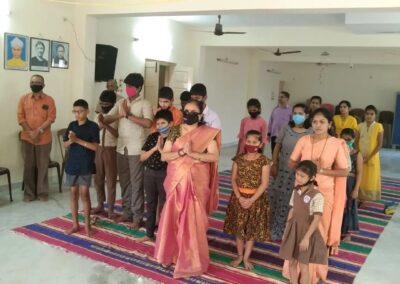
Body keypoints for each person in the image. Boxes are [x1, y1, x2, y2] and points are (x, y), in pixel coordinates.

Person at [154, 100, 221, 278]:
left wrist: (194, 155)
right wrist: (182, 153)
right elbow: (164, 156)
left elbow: (214, 156)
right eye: (186, 110)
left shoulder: (207, 133)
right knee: (174, 217)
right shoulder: (175, 130)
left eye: (193, 111)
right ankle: (173, 254)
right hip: (177, 180)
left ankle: (192, 258)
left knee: (193, 219)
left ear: (200, 115)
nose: (188, 113)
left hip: (197, 181)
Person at [286, 108, 349, 283]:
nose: (318, 125)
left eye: (322, 122)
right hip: (302, 191)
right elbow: (291, 162)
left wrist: (321, 170)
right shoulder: (304, 140)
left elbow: (344, 171)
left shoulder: (337, 143)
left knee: (318, 232)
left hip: (324, 193)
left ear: (330, 124)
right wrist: (305, 167)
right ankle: (295, 272)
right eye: (314, 122)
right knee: (299, 228)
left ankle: (314, 274)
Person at [103, 73, 153, 228]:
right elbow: (106, 119)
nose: (128, 89)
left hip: (137, 149)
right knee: (124, 183)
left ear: (138, 88)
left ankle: (137, 217)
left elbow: (148, 123)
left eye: (131, 87)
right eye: (126, 86)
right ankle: (127, 212)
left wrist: (129, 116)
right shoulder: (121, 102)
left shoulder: (145, 103)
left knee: (137, 184)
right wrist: (121, 114)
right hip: (121, 148)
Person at [223, 130, 271, 270]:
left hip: (256, 200)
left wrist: (251, 200)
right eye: (248, 142)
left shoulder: (264, 161)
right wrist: (239, 197)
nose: (251, 145)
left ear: (260, 144)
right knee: (239, 228)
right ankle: (239, 255)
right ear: (245, 142)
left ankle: (246, 257)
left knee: (250, 230)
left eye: (254, 142)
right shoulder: (238, 159)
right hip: (238, 199)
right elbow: (233, 179)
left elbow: (264, 183)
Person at [279, 160, 328, 284]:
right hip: (293, 229)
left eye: (302, 176)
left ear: (312, 177)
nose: (298, 178)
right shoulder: (296, 190)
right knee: (292, 262)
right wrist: (286, 229)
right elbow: (292, 210)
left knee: (303, 265)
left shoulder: (317, 196)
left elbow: (316, 219)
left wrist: (306, 238)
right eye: (297, 175)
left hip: (306, 232)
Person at [269, 103, 312, 241]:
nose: (297, 116)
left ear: (306, 116)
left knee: (290, 201)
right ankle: (271, 228)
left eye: (300, 113)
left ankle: (285, 232)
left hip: (298, 173)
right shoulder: (286, 128)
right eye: (295, 113)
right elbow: (277, 145)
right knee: (274, 197)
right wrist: (274, 163)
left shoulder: (310, 132)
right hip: (281, 170)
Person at [135, 109, 173, 243]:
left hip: (166, 175)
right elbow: (142, 157)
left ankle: (164, 236)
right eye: (158, 123)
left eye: (163, 123)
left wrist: (162, 150)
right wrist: (155, 148)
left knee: (165, 206)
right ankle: (149, 233)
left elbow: (173, 160)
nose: (160, 126)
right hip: (149, 174)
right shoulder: (152, 137)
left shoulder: (174, 139)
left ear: (171, 124)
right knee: (151, 204)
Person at [63, 99, 100, 237]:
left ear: (87, 111)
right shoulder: (72, 125)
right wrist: (71, 141)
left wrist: (77, 140)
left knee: (84, 194)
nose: (77, 114)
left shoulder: (93, 126)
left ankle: (87, 226)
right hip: (72, 164)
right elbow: (65, 145)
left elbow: (95, 147)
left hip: (85, 165)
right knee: (73, 194)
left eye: (80, 111)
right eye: (75, 111)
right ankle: (75, 224)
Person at [17, 75, 56, 202]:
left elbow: (51, 118)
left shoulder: (49, 100)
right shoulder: (23, 99)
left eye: (38, 82)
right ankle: (29, 194)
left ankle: (42, 193)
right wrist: (30, 132)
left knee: (43, 166)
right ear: (29, 84)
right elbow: (20, 117)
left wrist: (38, 131)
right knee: (28, 166)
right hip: (27, 139)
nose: (35, 84)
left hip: (44, 139)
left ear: (43, 85)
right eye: (33, 82)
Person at [92, 90, 119, 218]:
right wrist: (100, 124)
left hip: (111, 150)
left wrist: (107, 125)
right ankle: (100, 204)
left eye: (106, 103)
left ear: (113, 104)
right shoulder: (97, 116)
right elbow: (92, 131)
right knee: (98, 179)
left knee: (111, 180)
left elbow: (117, 135)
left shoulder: (116, 117)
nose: (103, 105)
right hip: (98, 149)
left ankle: (111, 209)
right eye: (101, 103)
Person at [356, 105, 383, 202]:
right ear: (364, 114)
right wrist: (358, 154)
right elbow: (356, 141)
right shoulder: (359, 126)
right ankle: (360, 196)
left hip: (373, 156)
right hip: (360, 155)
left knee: (371, 177)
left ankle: (369, 197)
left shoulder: (378, 126)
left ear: (375, 115)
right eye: (367, 114)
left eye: (372, 114)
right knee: (360, 175)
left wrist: (369, 157)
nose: (369, 116)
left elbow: (379, 144)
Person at [341, 128, 363, 241]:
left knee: (350, 206)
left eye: (348, 139)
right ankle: (338, 229)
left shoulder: (357, 153)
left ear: (354, 139)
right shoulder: (338, 151)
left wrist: (356, 189)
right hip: (339, 182)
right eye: (343, 139)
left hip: (350, 184)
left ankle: (348, 233)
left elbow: (359, 172)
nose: (346, 142)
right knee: (340, 206)